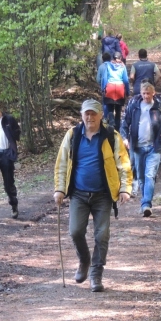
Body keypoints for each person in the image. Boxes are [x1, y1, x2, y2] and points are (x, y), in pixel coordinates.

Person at [54, 99, 132, 292]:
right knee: (75, 231)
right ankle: (85, 260)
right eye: (86, 114)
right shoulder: (73, 135)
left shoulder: (111, 136)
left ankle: (96, 274)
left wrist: (125, 189)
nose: (90, 117)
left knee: (102, 235)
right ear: (82, 115)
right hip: (79, 194)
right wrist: (59, 189)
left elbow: (124, 165)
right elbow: (62, 163)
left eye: (93, 114)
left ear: (101, 115)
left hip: (103, 195)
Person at [120, 82, 161, 217]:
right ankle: (144, 202)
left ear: (153, 93)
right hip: (137, 147)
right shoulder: (134, 106)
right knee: (140, 177)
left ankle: (146, 204)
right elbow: (124, 124)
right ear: (141, 93)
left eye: (148, 93)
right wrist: (125, 138)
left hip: (154, 147)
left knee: (150, 175)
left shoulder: (160, 107)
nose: (146, 96)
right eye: (143, 93)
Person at [99, 52, 130, 130]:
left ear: (112, 58)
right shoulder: (123, 67)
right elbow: (126, 80)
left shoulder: (108, 66)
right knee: (118, 112)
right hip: (120, 89)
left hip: (110, 89)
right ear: (121, 58)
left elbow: (105, 78)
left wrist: (103, 89)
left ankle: (110, 125)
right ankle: (117, 130)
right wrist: (127, 92)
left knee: (110, 110)